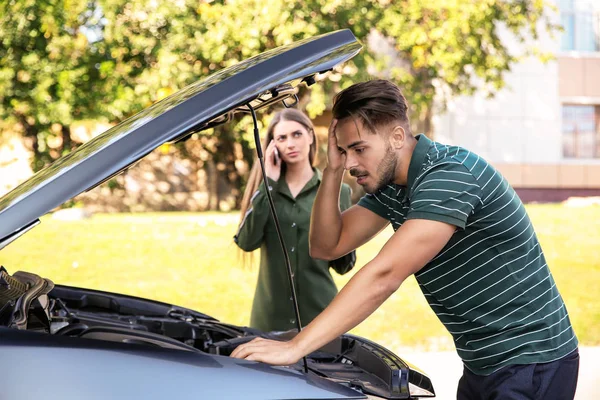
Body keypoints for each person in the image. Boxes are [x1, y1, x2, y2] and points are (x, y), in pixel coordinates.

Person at [232, 80, 579, 399]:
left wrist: (296, 346)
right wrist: (333, 170)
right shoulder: (393, 187)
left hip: (532, 360)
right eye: (343, 150)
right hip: (482, 361)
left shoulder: (449, 176)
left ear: (397, 137)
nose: (351, 162)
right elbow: (326, 246)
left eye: (358, 149)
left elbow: (385, 274)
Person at [234, 108, 354, 333]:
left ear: (310, 135)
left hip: (321, 319)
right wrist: (268, 180)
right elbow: (246, 242)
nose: (290, 143)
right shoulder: (265, 191)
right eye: (281, 138)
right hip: (269, 321)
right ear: (273, 146)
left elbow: (344, 265)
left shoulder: (339, 191)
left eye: (296, 134)